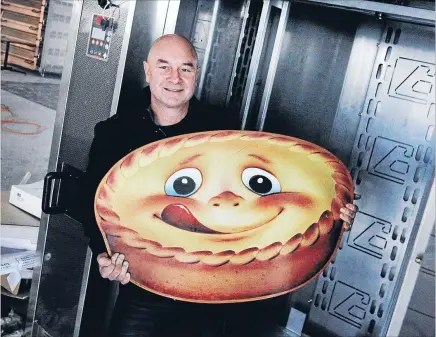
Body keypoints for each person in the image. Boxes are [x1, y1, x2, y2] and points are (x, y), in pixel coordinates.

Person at [84, 34, 358, 337]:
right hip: (145, 290)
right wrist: (103, 253)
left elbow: (270, 187)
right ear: (148, 71)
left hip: (214, 292)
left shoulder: (221, 128)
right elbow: (93, 204)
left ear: (196, 75)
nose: (175, 78)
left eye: (185, 69)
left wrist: (331, 209)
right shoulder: (114, 134)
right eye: (164, 67)